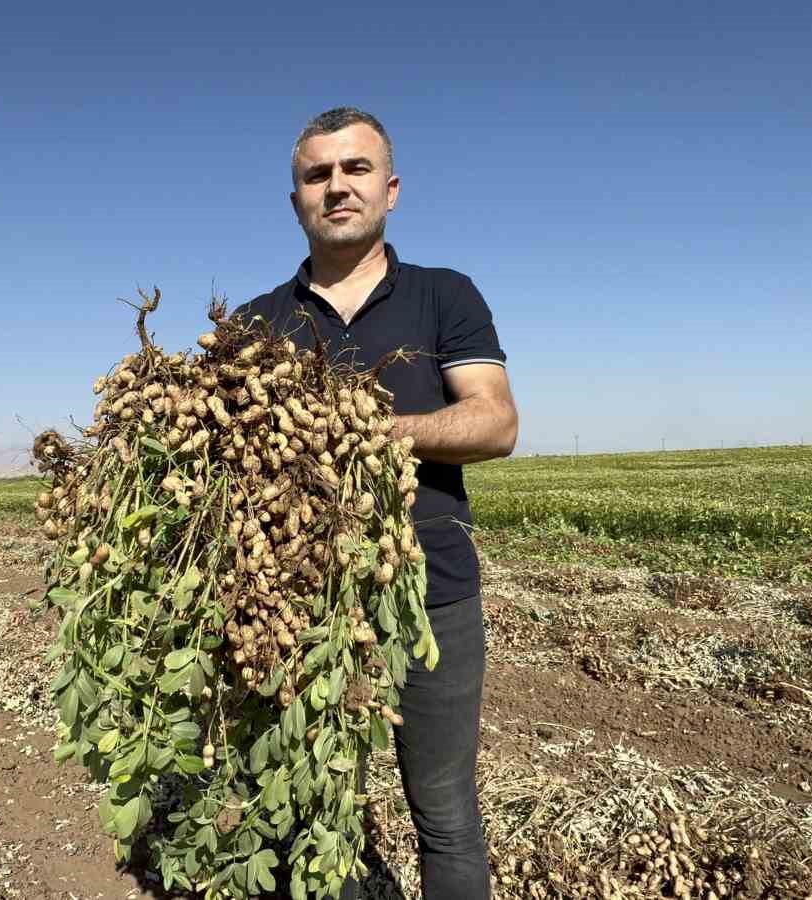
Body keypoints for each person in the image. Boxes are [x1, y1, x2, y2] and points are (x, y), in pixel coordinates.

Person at [235, 107, 518, 899]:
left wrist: (374, 429)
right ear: (295, 199)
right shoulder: (256, 324)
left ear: (390, 188)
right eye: (317, 175)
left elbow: (495, 422)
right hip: (301, 606)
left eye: (355, 169)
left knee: (446, 812)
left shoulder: (443, 296)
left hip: (434, 595)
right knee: (316, 806)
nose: (337, 187)